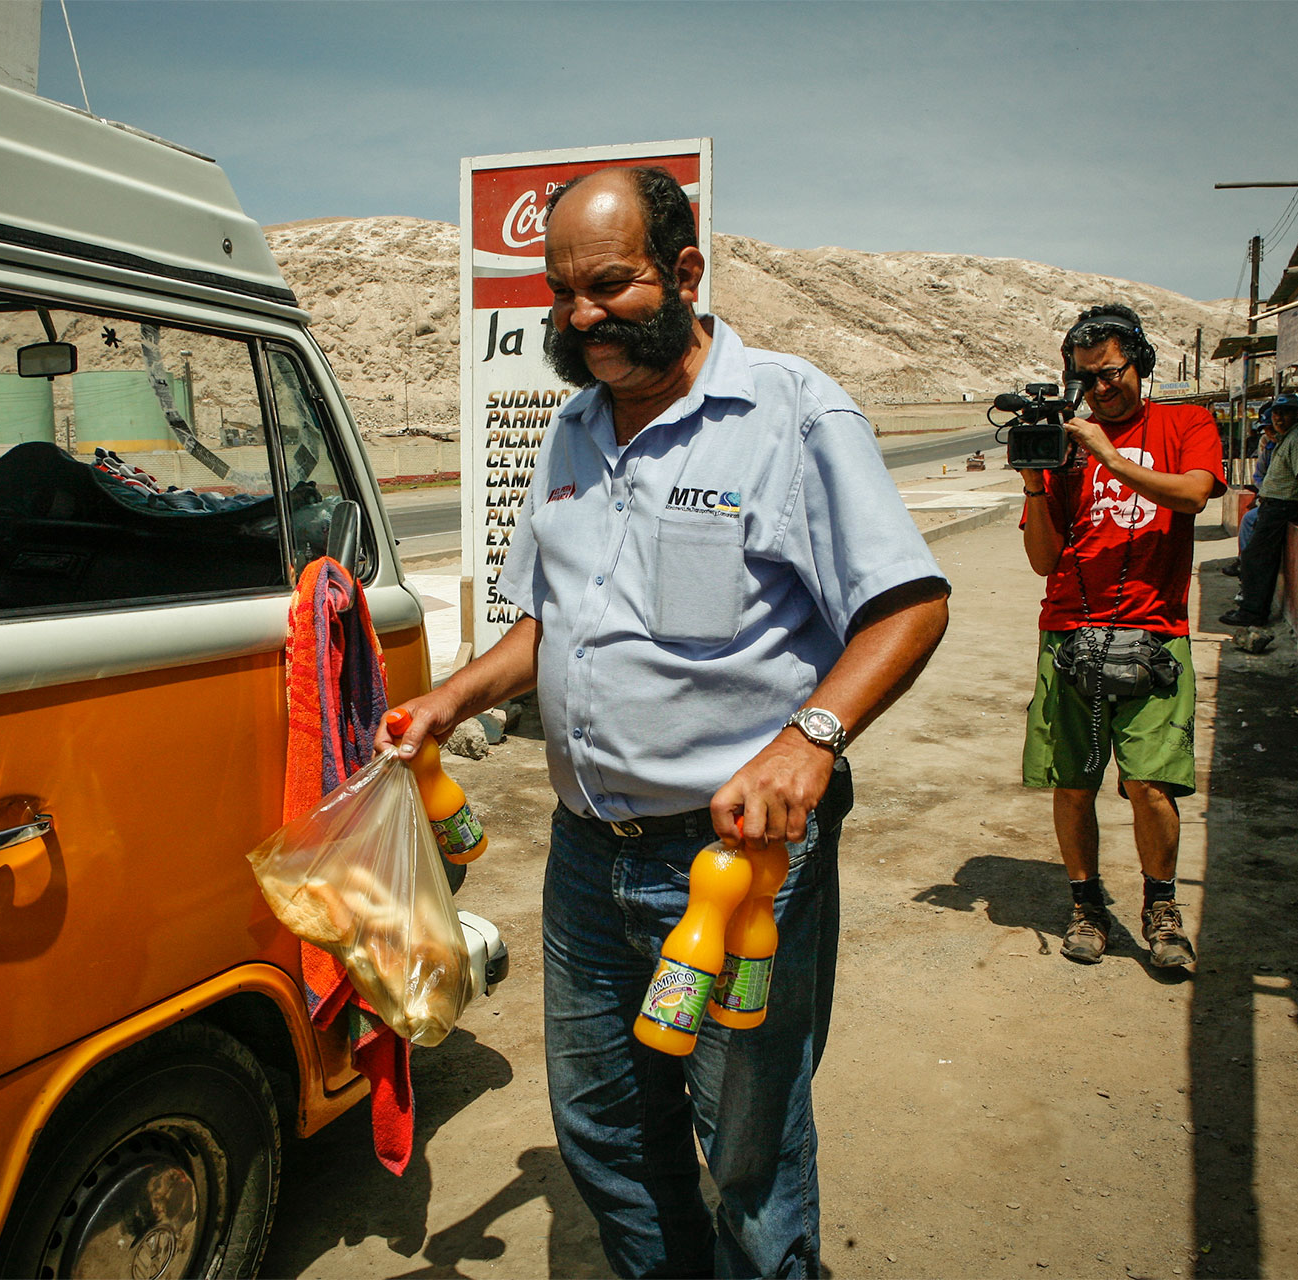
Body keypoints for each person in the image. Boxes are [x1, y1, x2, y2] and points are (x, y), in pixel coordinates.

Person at [378, 165, 950, 1278]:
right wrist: (453, 695)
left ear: (684, 271)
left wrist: (808, 740)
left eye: (611, 284)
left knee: (748, 1158)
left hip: (734, 870)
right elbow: (547, 625)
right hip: (588, 860)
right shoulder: (574, 432)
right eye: (561, 292)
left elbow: (908, 604)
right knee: (602, 1130)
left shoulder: (791, 412)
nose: (581, 315)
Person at [1017, 303, 1226, 968]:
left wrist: (1107, 454)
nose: (1101, 388)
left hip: (1155, 632)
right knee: (1072, 783)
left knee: (1150, 784)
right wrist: (1033, 485)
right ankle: (1086, 903)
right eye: (1087, 377)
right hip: (1069, 631)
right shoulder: (1061, 447)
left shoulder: (1184, 422)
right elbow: (1044, 560)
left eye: (1111, 373)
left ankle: (1161, 908)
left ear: (1141, 364)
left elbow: (1194, 495)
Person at [1222, 394, 1298, 627]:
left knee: (1256, 559)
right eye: (1277, 414)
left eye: (1285, 413)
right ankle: (1252, 609)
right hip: (1272, 506)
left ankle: (1252, 612)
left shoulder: (1297, 438)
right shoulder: (1285, 438)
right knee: (1256, 558)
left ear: (1297, 414)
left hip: (1282, 507)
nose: (1279, 418)